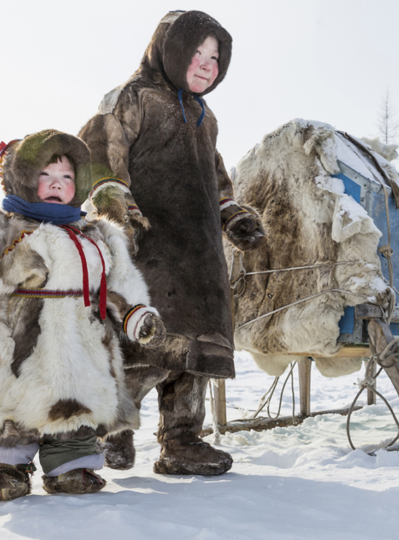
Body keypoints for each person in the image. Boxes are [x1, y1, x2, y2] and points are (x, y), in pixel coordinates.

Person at [0, 129, 164, 500]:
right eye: (46, 175)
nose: (57, 183)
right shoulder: (1, 229)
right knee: (7, 415)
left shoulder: (97, 236)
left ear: (80, 184)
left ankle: (71, 467)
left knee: (76, 416)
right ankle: (5, 469)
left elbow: (121, 281)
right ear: (24, 179)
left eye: (67, 177)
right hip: (14, 355)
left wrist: (137, 315)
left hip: (79, 355)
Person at [79, 10, 265, 476]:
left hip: (200, 258)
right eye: (197, 52)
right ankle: (114, 428)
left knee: (196, 353)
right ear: (170, 48)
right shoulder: (134, 97)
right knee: (144, 346)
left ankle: (182, 440)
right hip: (149, 250)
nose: (206, 64)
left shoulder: (205, 116)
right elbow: (102, 150)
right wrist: (114, 200)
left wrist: (233, 215)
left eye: (216, 57)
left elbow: (218, 184)